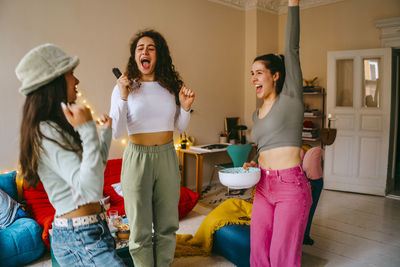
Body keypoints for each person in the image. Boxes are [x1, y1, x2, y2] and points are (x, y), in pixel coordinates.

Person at [16, 44, 124, 267]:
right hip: (79, 236)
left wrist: (104, 135)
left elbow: (95, 171)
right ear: (53, 83)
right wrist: (87, 130)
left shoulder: (58, 126)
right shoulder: (45, 132)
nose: (76, 81)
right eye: (71, 74)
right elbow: (90, 188)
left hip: (92, 228)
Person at [109, 29, 195, 267]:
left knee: (168, 224)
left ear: (159, 55)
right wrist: (124, 96)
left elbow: (178, 125)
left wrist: (185, 108)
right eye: (140, 48)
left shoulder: (170, 86)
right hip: (137, 158)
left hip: (167, 155)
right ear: (134, 56)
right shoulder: (123, 87)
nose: (145, 52)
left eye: (151, 48)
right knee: (140, 227)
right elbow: (116, 132)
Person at [243, 0, 312, 266]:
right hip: (262, 186)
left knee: (282, 256)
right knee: (258, 253)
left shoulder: (291, 97)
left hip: (290, 187)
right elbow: (261, 151)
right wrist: (252, 164)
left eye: (259, 73)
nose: (254, 79)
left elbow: (291, 49)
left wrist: (292, 5)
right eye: (252, 74)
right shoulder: (255, 114)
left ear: (275, 75)